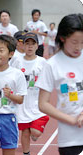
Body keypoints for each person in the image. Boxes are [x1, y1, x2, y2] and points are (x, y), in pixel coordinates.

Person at [35, 14, 83, 155]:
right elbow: (43, 104)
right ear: (62, 38)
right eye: (74, 42)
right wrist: (72, 120)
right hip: (70, 138)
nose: (79, 47)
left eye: (82, 42)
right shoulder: (52, 65)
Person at [14, 32, 49, 155]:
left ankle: (37, 132)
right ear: (22, 45)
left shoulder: (42, 62)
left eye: (32, 44)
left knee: (35, 132)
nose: (29, 46)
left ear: (37, 46)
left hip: (36, 102)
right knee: (25, 132)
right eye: (27, 43)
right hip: (22, 102)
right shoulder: (17, 61)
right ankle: (26, 153)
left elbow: (47, 80)